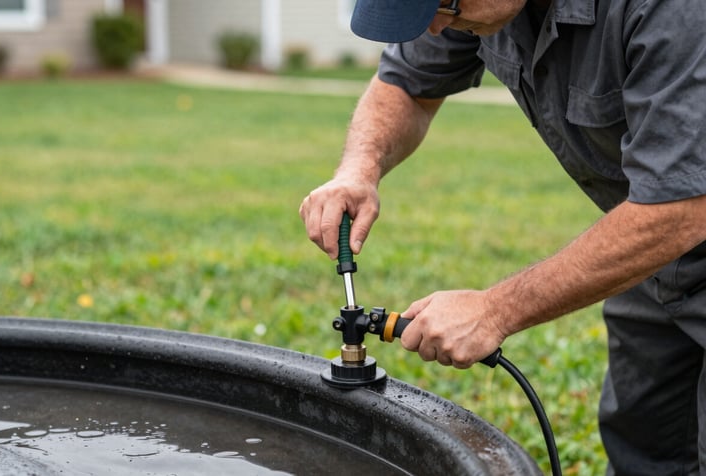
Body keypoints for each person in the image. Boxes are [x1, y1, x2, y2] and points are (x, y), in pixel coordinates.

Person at [298, 0, 706, 474]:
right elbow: (407, 84)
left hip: (670, 221)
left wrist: (496, 309)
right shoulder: (467, 7)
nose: (432, 26)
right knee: (644, 451)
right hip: (653, 261)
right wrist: (358, 169)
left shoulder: (673, 11)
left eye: (440, 4)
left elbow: (681, 209)